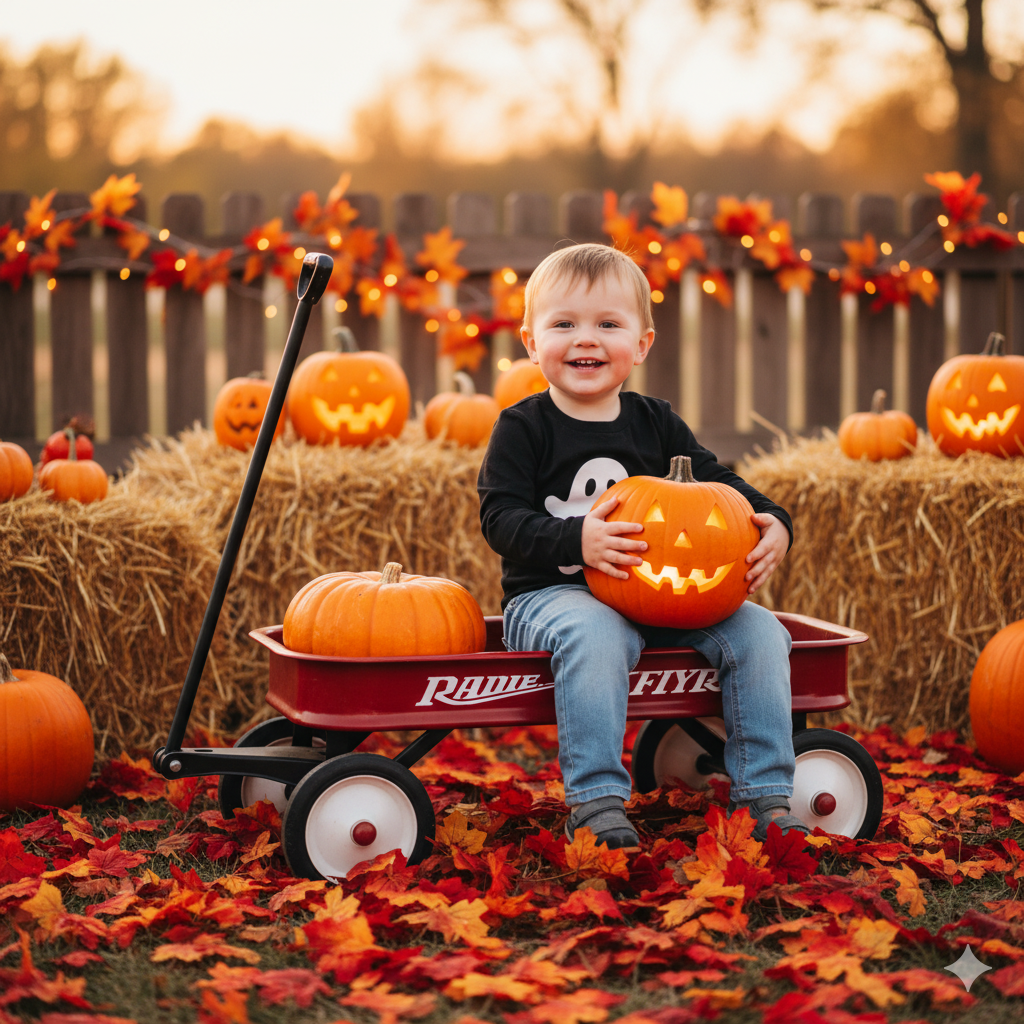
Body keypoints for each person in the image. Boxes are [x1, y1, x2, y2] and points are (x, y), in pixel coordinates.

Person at [477, 242, 808, 850]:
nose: (586, 340)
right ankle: (597, 800)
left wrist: (774, 520)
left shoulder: (655, 423)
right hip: (554, 599)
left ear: (642, 344)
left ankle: (766, 795)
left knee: (763, 633)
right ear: (530, 341)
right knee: (599, 635)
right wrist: (580, 537)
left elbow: (721, 484)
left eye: (608, 324)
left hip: (664, 604)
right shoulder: (522, 427)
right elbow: (501, 520)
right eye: (564, 324)